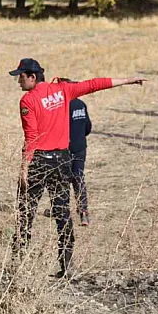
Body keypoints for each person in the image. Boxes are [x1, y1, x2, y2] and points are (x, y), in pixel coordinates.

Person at [9, 58, 145, 278]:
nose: (19, 82)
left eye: (21, 77)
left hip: (39, 161)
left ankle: (18, 265)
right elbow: (94, 84)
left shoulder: (28, 100)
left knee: (25, 212)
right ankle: (67, 264)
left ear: (32, 77)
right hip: (62, 160)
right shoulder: (63, 90)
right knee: (62, 213)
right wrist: (128, 80)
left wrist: (24, 168)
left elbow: (31, 136)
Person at [67, 91, 91, 226]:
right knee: (78, 178)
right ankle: (83, 212)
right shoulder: (81, 104)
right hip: (81, 147)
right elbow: (88, 127)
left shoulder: (63, 106)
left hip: (65, 148)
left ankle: (60, 210)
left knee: (62, 179)